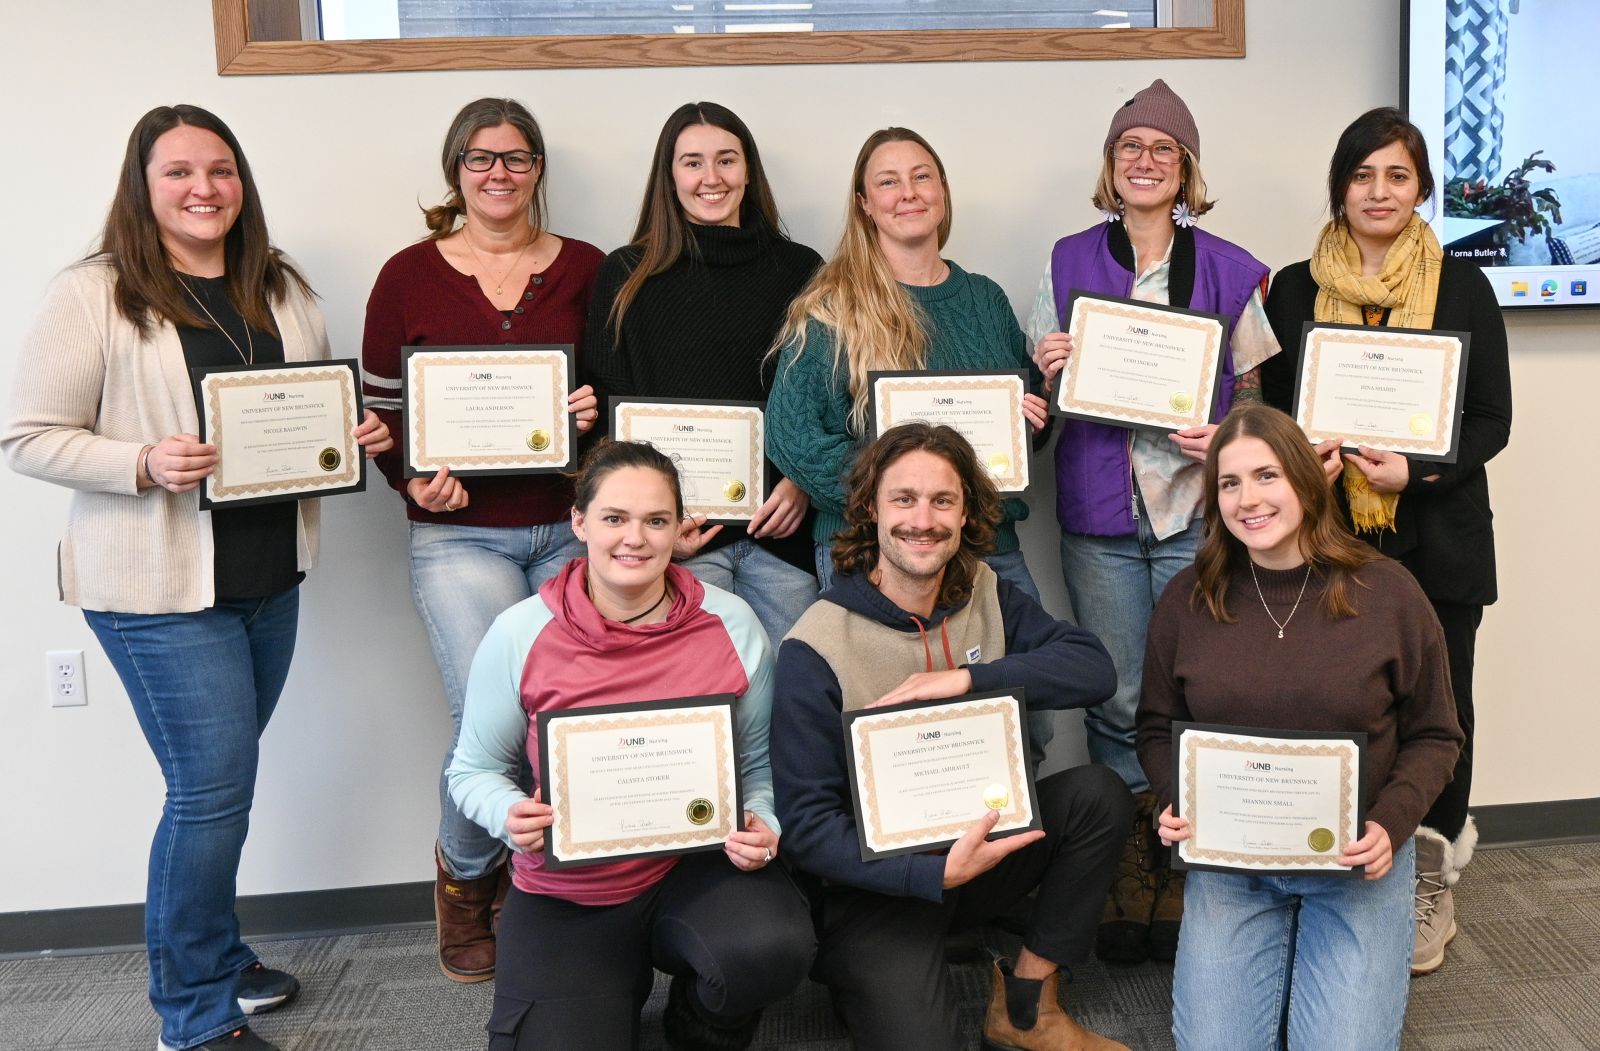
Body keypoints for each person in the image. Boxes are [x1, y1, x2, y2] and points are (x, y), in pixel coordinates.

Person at [3, 105, 391, 1051]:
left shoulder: (282, 285)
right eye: (178, 172)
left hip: (269, 577)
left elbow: (305, 415)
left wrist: (355, 439)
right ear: (143, 185)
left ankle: (215, 955)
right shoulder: (95, 292)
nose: (203, 188)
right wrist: (142, 461)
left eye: (220, 169)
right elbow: (27, 435)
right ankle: (196, 1015)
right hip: (153, 588)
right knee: (210, 789)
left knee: (224, 782)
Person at [1024, 78, 1286, 964]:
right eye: (1130, 146)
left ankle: (1189, 866)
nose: (1145, 161)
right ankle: (1132, 866)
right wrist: (1051, 364)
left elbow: (1254, 391)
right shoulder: (1063, 260)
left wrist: (1228, 438)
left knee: (1196, 691)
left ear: (1186, 169)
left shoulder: (1228, 265)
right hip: (1100, 509)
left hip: (1195, 510)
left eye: (1162, 149)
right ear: (1111, 163)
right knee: (1118, 696)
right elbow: (1035, 393)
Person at [770, 421, 1133, 1051]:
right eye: (903, 499)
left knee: (1098, 795)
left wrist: (968, 679)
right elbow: (805, 827)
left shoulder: (987, 591)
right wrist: (925, 878)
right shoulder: (816, 644)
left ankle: (1027, 1007)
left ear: (967, 513)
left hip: (984, 852)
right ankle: (866, 979)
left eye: (944, 501)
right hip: (879, 889)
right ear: (870, 510)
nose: (924, 519)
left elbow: (1093, 669)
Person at [446, 440, 814, 1051]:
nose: (634, 539)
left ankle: (699, 1020)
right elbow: (474, 770)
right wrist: (506, 815)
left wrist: (764, 821)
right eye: (615, 518)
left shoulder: (731, 622)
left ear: (679, 528)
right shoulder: (521, 631)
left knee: (768, 950)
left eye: (656, 520)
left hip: (696, 867)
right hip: (571, 890)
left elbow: (754, 766)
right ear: (580, 522)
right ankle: (611, 984)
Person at [1260, 106, 1511, 976]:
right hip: (1333, 538)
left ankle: (1430, 878)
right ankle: (1338, 862)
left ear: (1421, 188)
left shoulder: (1462, 285)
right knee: (1335, 703)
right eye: (1363, 175)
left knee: (1443, 714)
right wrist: (1306, 456)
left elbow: (1490, 419)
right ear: (1339, 187)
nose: (1379, 191)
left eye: (1397, 175)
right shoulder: (1293, 289)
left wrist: (1419, 470)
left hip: (1438, 540)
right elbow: (1276, 411)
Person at [360, 97, 606, 982]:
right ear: (455, 170)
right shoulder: (406, 275)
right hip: (460, 534)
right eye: (480, 158)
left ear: (539, 169)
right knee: (494, 721)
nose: (498, 173)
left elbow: (621, 388)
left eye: (516, 157)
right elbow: (381, 412)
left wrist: (594, 410)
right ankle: (466, 878)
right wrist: (412, 479)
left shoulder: (588, 267)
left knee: (575, 716)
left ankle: (544, 891)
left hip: (574, 532)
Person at [1136, 403, 1463, 1050]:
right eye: (1229, 483)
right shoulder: (1187, 600)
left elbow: (1436, 734)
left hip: (1357, 860)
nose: (1248, 498)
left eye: (1267, 476)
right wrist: (1176, 797)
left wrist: (1390, 825)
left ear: (1307, 483)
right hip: (1231, 861)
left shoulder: (1388, 593)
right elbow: (1153, 727)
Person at [765, 127, 1055, 757]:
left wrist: (1038, 410)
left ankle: (1008, 851)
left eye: (922, 176)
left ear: (944, 191)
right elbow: (792, 435)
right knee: (898, 736)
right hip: (872, 555)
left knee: (1022, 725)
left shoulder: (982, 298)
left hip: (987, 547)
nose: (908, 193)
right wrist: (902, 503)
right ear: (864, 203)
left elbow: (1020, 425)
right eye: (888, 182)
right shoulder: (833, 305)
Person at [583, 101, 822, 645]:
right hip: (679, 546)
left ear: (748, 170)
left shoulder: (802, 269)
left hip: (781, 538)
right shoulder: (626, 274)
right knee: (700, 710)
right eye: (692, 162)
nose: (711, 178)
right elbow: (607, 419)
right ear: (669, 177)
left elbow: (826, 397)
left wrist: (801, 482)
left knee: (800, 703)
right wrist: (654, 528)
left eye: (726, 160)